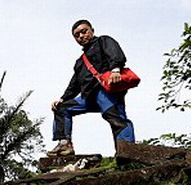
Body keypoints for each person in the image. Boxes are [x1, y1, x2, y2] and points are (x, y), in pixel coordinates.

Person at [48, 19, 135, 156]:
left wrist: (115, 69)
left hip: (105, 92)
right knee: (62, 108)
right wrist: (62, 98)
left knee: (117, 120)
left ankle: (127, 153)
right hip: (87, 96)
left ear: (92, 30)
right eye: (77, 35)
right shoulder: (80, 62)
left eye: (84, 31)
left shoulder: (103, 41)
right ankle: (65, 145)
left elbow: (115, 53)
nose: (81, 36)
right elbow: (74, 84)